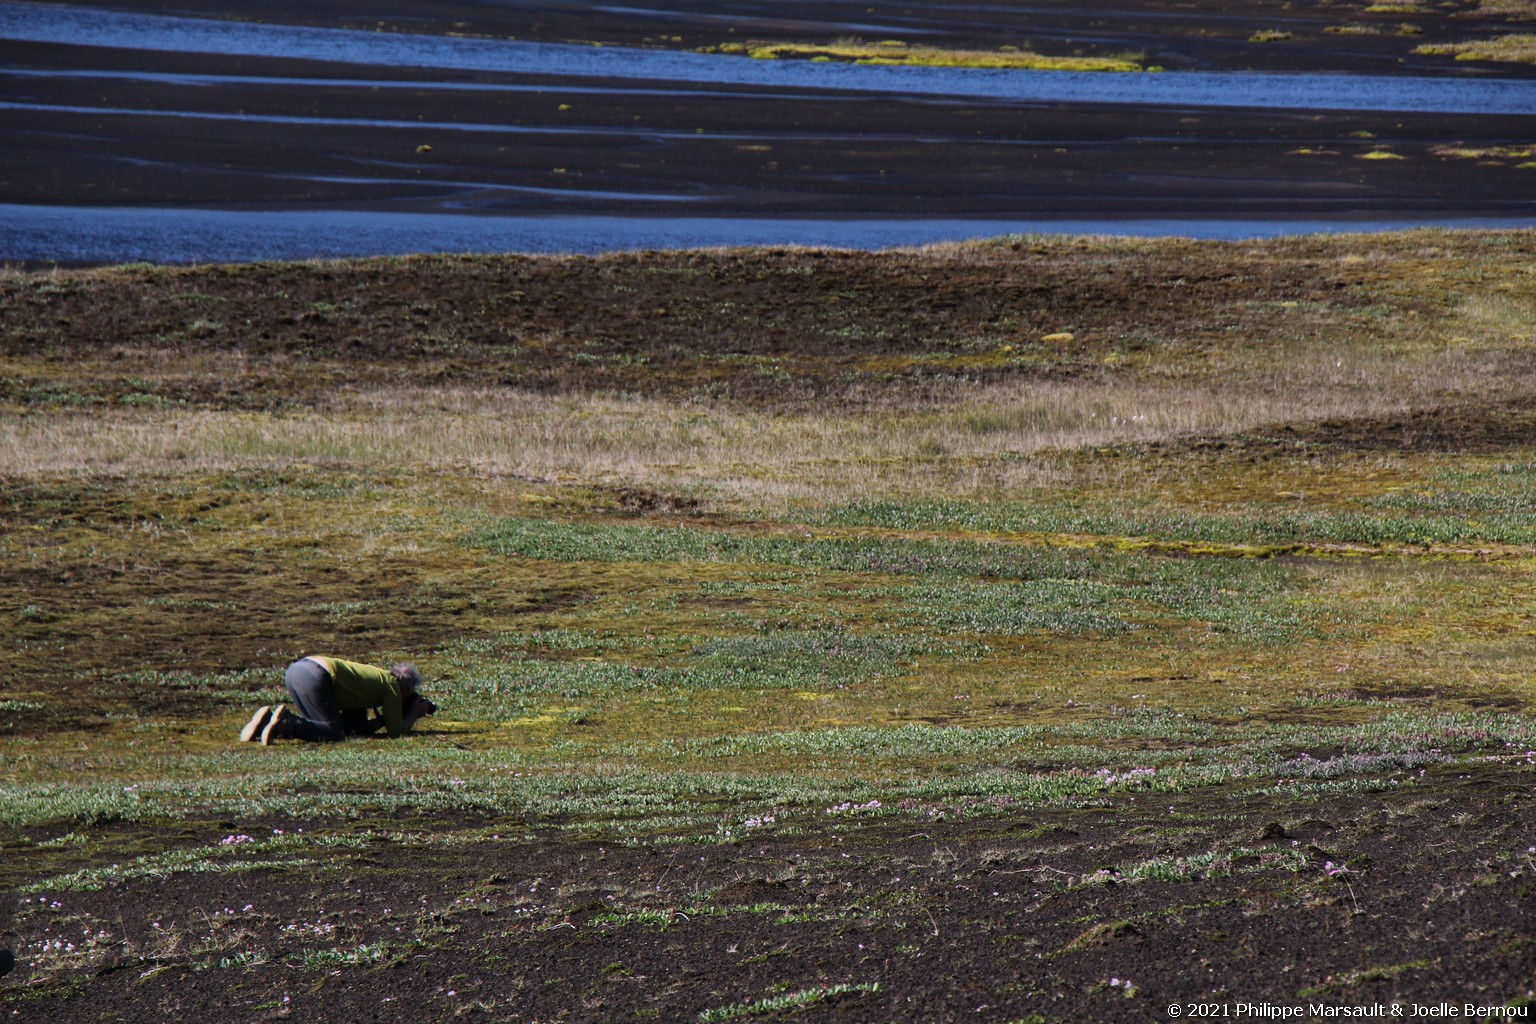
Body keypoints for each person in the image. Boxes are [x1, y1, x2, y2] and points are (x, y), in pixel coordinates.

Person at [240, 656, 435, 745]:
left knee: (317, 729)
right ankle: (287, 721)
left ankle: (266, 721)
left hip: (298, 670)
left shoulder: (374, 682)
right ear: (407, 689)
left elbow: (354, 728)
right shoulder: (392, 685)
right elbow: (397, 732)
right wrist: (414, 713)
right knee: (332, 732)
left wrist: (381, 720)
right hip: (319, 675)